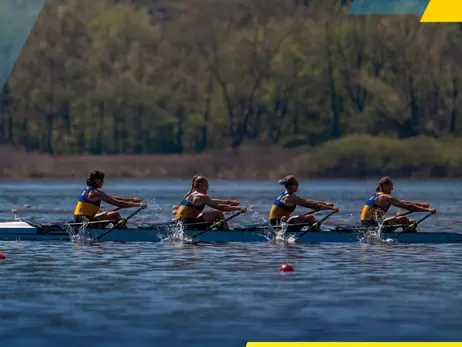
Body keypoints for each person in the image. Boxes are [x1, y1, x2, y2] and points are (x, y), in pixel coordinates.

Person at [73, 170, 147, 228]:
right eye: (100, 180)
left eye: (103, 180)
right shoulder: (95, 193)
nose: (102, 182)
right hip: (85, 223)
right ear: (94, 181)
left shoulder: (88, 190)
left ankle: (121, 230)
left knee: (113, 214)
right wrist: (138, 204)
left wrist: (131, 199)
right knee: (116, 216)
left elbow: (111, 198)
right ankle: (124, 234)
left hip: (81, 220)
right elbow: (119, 204)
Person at [360, 176, 436, 232]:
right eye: (391, 186)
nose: (392, 189)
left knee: (410, 221)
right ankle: (412, 238)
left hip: (367, 225)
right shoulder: (385, 197)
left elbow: (402, 202)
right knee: (404, 219)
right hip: (373, 226)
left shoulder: (376, 195)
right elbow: (409, 207)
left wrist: (420, 204)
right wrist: (428, 210)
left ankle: (409, 232)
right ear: (385, 186)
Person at [175, 175, 247, 230]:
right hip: (188, 226)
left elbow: (212, 201)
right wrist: (239, 208)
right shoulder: (201, 197)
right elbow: (220, 207)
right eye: (207, 186)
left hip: (181, 225)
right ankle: (226, 234)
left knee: (204, 213)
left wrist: (229, 202)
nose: (208, 188)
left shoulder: (191, 194)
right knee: (218, 213)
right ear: (202, 186)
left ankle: (220, 228)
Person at [268, 175, 339, 231]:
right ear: (290, 186)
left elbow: (307, 201)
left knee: (306, 217)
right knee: (310, 218)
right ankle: (318, 236)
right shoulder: (290, 198)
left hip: (279, 223)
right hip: (279, 226)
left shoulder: (285, 194)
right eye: (296, 184)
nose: (298, 186)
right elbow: (312, 205)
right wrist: (332, 208)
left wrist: (325, 204)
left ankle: (315, 232)